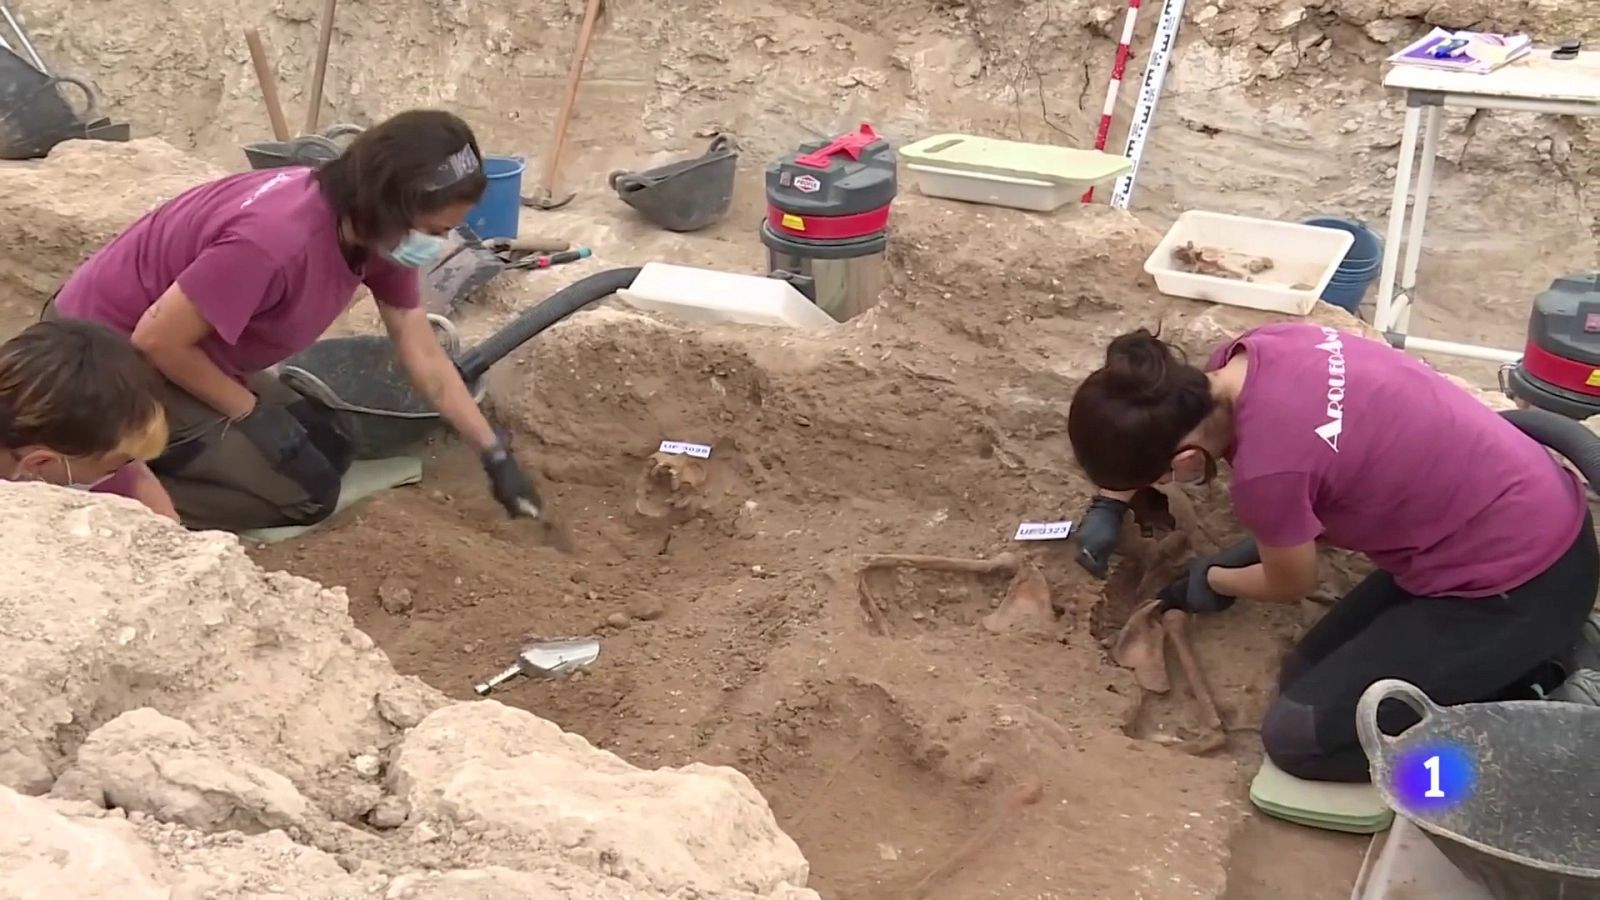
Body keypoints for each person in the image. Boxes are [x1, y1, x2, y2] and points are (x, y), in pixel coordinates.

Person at [1066, 322, 1598, 782]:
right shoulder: (1251, 353)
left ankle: (1526, 727)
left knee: (1301, 740)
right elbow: (1316, 476)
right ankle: (1510, 664)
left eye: (1159, 478)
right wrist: (1112, 505)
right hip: (1499, 520)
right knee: (1304, 677)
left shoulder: (1269, 472)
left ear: (1183, 461)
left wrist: (1216, 580)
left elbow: (1291, 581)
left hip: (1518, 583)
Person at [45, 109, 539, 532]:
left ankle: (177, 453)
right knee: (305, 494)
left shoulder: (377, 229)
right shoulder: (276, 241)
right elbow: (155, 340)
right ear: (393, 204)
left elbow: (421, 349)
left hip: (190, 346)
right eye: (436, 230)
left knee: (329, 447)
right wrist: (250, 412)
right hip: (107, 360)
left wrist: (492, 450)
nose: (438, 243)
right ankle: (110, 490)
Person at [1, 319, 177, 520]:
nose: (121, 472)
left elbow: (135, 479)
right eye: (113, 469)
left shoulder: (72, 447)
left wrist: (166, 522)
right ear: (40, 463)